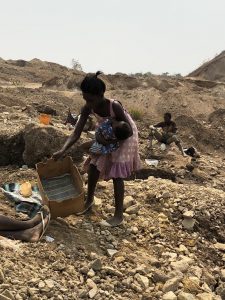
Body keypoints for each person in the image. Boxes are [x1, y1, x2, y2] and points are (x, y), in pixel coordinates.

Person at [53, 71, 141, 227]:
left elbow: (128, 131)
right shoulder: (87, 108)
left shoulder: (114, 106)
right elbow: (76, 133)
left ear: (101, 94)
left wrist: (108, 142)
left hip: (124, 135)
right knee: (94, 165)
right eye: (85, 99)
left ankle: (118, 215)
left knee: (116, 173)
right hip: (106, 133)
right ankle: (89, 201)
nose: (88, 103)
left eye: (91, 99)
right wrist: (63, 150)